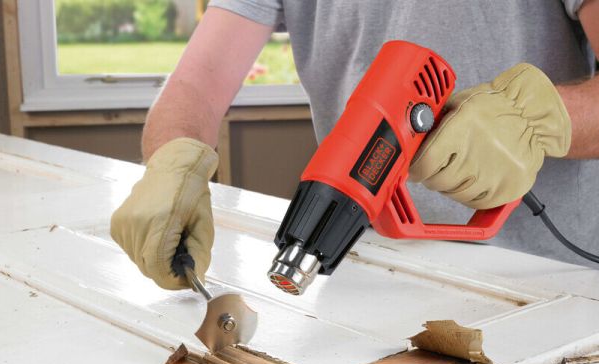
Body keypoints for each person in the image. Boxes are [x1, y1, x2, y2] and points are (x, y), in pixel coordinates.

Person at [111, 0, 599, 290]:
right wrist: (173, 161)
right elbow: (198, 83)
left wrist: (535, 120)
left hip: (547, 286)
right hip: (367, 273)